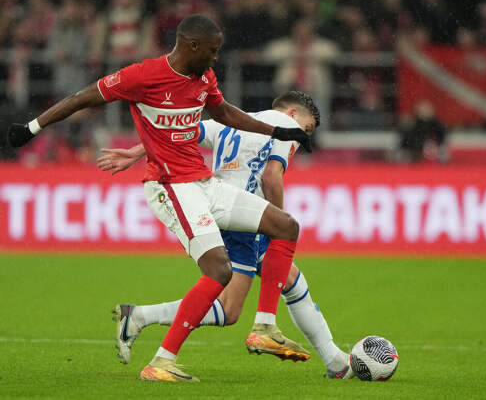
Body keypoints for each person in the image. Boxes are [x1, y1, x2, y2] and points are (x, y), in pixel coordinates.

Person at [4, 14, 312, 383]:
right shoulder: (142, 76)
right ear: (192, 46)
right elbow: (81, 97)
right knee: (219, 271)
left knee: (285, 225)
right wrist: (32, 128)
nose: (216, 58)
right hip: (169, 186)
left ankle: (264, 325)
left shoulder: (204, 77)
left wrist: (277, 131)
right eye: (212, 50)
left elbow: (226, 113)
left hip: (202, 182)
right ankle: (161, 362)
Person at [99, 90, 353, 379]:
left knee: (255, 298)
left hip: (221, 210)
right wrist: (276, 223)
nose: (303, 137)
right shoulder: (285, 126)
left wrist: (135, 152)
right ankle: (309, 349)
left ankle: (139, 317)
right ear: (293, 114)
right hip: (246, 218)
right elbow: (271, 177)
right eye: (306, 129)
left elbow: (177, 135)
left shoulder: (230, 122)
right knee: (269, 282)